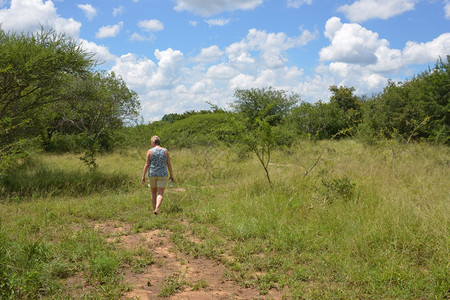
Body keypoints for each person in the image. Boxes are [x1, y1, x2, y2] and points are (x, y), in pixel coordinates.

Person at [141, 136, 174, 215]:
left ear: (153, 142)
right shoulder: (165, 151)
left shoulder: (149, 151)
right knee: (160, 192)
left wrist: (143, 176)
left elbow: (147, 164)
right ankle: (157, 208)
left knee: (153, 192)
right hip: (162, 174)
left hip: (152, 174)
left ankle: (154, 209)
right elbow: (169, 164)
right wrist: (171, 175)